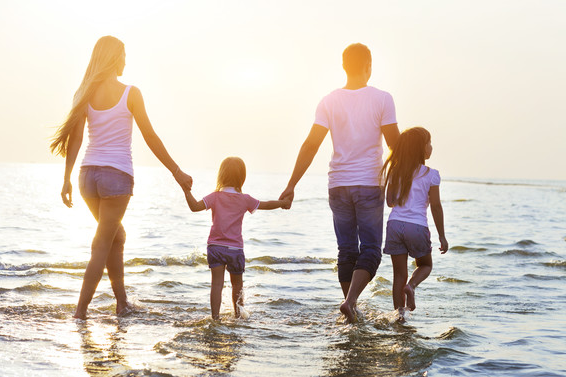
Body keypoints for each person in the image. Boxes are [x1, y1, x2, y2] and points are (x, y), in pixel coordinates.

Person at [50, 36, 192, 320]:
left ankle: (122, 303)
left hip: (87, 178)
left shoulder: (83, 93)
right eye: (124, 55)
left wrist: (66, 179)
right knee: (102, 243)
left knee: (116, 236)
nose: (126, 61)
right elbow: (150, 136)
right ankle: (80, 313)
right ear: (115, 58)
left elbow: (76, 139)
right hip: (116, 177)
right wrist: (177, 172)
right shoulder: (131, 93)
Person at [279, 43, 400, 323]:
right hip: (369, 184)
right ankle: (351, 302)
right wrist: (397, 183)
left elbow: (310, 145)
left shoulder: (328, 101)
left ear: (344, 67)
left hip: (338, 185)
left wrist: (291, 184)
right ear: (368, 66)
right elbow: (395, 145)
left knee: (346, 250)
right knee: (370, 251)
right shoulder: (383, 99)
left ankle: (351, 311)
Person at [182, 157, 289, 320]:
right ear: (242, 177)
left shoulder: (215, 196)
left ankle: (215, 318)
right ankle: (239, 316)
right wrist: (283, 202)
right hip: (235, 250)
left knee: (216, 285)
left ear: (221, 175)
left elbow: (194, 207)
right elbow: (265, 204)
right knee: (237, 285)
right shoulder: (245, 199)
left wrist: (186, 190)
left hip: (215, 247)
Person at [380, 127, 448, 318]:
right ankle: (412, 285)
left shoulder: (395, 171)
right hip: (417, 225)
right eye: (429, 143)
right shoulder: (431, 174)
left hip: (394, 224)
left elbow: (390, 202)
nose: (431, 147)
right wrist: (442, 235)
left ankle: (399, 317)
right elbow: (435, 206)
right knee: (425, 264)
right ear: (422, 148)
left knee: (398, 275)